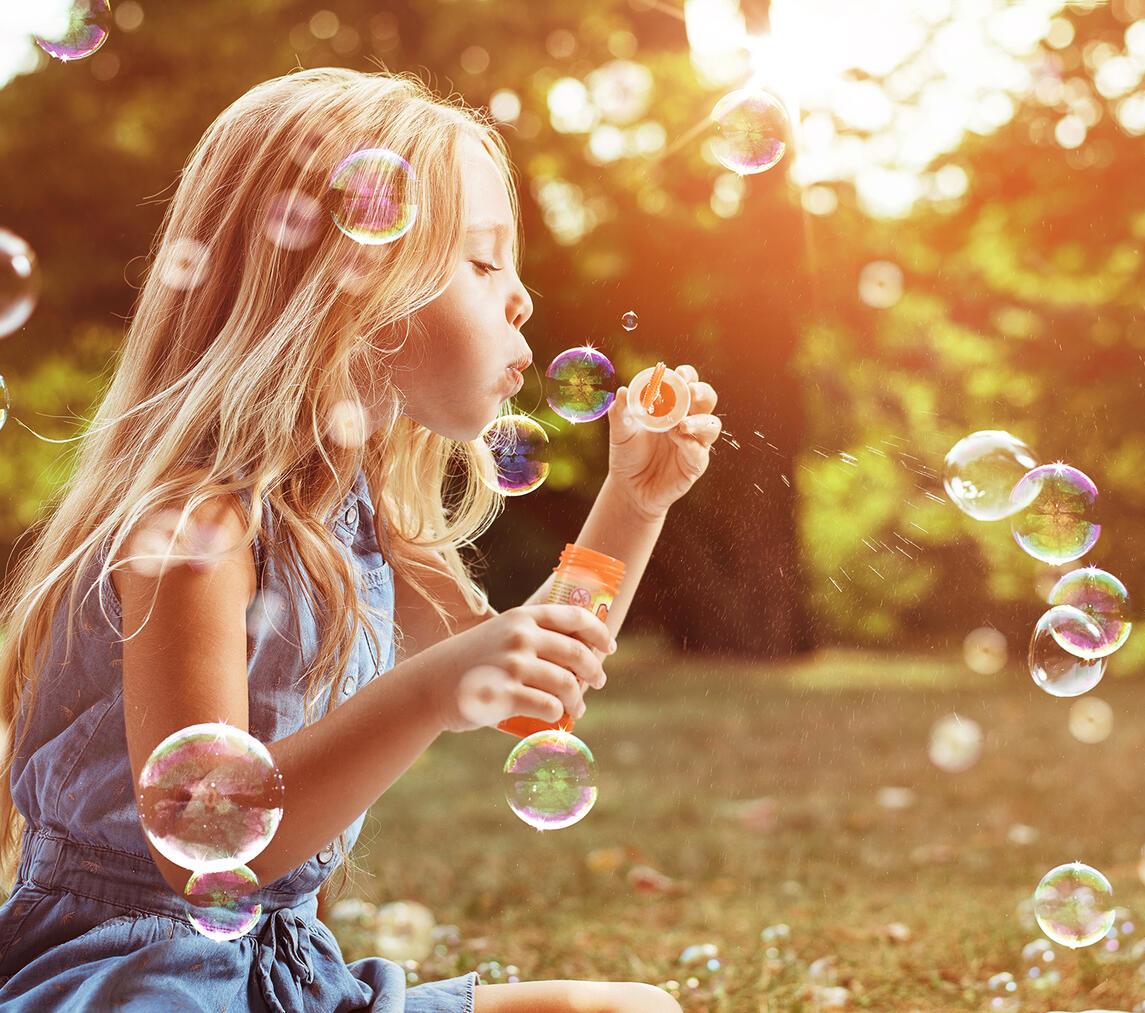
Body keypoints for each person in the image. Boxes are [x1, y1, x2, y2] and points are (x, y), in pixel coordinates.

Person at [0, 67, 723, 1012]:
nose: (522, 302)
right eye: (481, 260)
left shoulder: (370, 528)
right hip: (134, 974)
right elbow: (203, 843)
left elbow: (531, 699)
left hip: (286, 969)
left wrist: (635, 502)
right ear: (348, 288)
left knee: (637, 1009)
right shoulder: (196, 532)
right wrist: (429, 689)